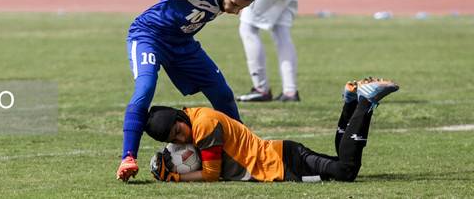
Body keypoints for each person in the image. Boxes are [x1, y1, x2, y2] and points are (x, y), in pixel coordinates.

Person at [116, 0, 308, 182]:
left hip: (183, 44)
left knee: (222, 93)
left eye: (242, 8)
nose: (236, 11)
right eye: (234, 4)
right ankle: (128, 157)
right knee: (145, 87)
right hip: (149, 36)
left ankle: (245, 150)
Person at [145, 77, 399, 183]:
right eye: (175, 140)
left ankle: (364, 101)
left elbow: (211, 175)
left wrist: (175, 177)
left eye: (178, 131)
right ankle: (351, 100)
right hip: (281, 158)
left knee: (346, 171)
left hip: (281, 165)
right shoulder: (196, 115)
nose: (182, 138)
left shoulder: (203, 126)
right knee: (339, 163)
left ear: (180, 117)